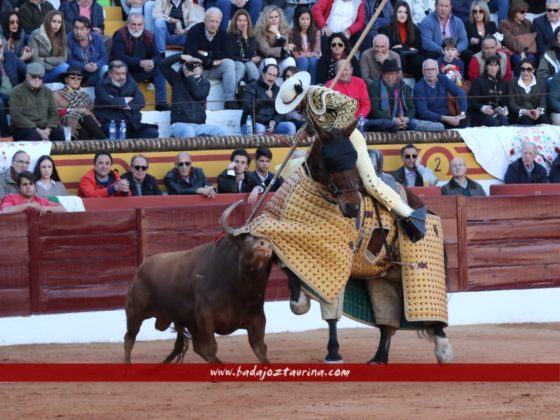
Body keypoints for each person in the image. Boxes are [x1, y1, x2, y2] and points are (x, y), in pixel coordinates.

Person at [275, 71, 426, 241]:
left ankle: (410, 214)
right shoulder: (306, 103)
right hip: (327, 144)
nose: (294, 108)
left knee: (371, 184)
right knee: (295, 170)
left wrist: (336, 133)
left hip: (348, 138)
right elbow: (320, 120)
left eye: (293, 104)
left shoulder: (319, 94)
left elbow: (351, 105)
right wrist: (308, 129)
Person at [160, 53, 229, 138]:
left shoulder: (205, 83)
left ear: (201, 68)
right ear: (183, 66)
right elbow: (162, 65)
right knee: (189, 131)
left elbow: (199, 94)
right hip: (179, 125)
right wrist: (180, 56)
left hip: (199, 126)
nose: (195, 67)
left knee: (222, 130)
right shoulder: (176, 79)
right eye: (191, 64)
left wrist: (189, 77)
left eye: (198, 64)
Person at [112, 13, 169, 111]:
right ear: (128, 24)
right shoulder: (120, 34)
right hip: (125, 72)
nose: (136, 27)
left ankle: (161, 102)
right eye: (133, 24)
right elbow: (119, 56)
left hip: (143, 70)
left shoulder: (149, 35)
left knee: (160, 65)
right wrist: (140, 62)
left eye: (139, 25)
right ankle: (127, 103)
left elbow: (158, 55)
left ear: (143, 24)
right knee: (121, 65)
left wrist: (152, 62)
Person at [367, 59, 445, 131]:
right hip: (385, 120)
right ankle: (394, 125)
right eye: (389, 74)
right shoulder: (375, 86)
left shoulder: (404, 87)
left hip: (404, 120)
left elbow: (412, 108)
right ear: (383, 74)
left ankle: (400, 125)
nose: (391, 76)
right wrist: (393, 119)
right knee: (388, 124)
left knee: (437, 126)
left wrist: (407, 118)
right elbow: (375, 110)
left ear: (397, 74)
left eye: (394, 74)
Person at [184, 7, 238, 109]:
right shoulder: (194, 30)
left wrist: (207, 54)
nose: (214, 24)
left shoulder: (223, 33)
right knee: (193, 62)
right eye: (211, 21)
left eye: (217, 22)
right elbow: (190, 52)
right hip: (198, 68)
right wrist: (210, 61)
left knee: (229, 63)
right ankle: (198, 101)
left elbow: (228, 54)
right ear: (205, 20)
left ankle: (229, 101)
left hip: (214, 70)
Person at [94, 60, 159, 139]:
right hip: (112, 125)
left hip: (132, 125)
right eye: (117, 74)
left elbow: (141, 101)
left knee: (152, 133)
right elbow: (108, 101)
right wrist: (126, 100)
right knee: (116, 136)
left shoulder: (131, 83)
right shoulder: (100, 85)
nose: (121, 77)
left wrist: (128, 106)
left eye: (123, 73)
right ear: (110, 74)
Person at [9, 62, 65, 141]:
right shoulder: (17, 92)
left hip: (45, 128)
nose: (37, 80)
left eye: (40, 77)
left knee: (59, 132)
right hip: (25, 128)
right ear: (27, 76)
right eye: (34, 76)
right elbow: (16, 116)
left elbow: (54, 113)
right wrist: (37, 130)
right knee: (33, 135)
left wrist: (48, 130)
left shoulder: (47, 91)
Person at [241, 63, 296, 135]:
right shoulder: (251, 87)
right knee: (260, 128)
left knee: (290, 127)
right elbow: (249, 109)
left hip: (271, 126)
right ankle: (261, 147)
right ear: (263, 74)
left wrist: (274, 121)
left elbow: (281, 111)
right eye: (269, 74)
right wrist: (265, 97)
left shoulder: (278, 90)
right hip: (251, 124)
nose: (271, 78)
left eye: (274, 76)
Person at [53, 66, 105, 140]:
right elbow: (55, 112)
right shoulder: (56, 94)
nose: (76, 80)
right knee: (83, 115)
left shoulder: (85, 96)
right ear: (66, 79)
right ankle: (103, 141)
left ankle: (102, 143)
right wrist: (75, 111)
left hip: (85, 125)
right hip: (65, 124)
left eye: (79, 78)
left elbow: (92, 113)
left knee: (85, 128)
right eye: (72, 78)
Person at [413, 58, 468, 129]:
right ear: (423, 72)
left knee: (463, 121)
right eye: (427, 69)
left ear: (437, 71)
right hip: (431, 119)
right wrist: (445, 118)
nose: (430, 72)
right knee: (439, 127)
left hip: (446, 115)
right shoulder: (419, 87)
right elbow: (423, 112)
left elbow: (460, 92)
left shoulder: (443, 79)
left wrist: (462, 114)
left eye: (433, 69)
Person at [379, 1, 423, 77]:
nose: (403, 15)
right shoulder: (386, 29)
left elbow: (418, 48)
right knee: (400, 58)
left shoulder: (415, 29)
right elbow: (386, 49)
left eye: (405, 12)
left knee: (420, 61)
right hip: (396, 61)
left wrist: (401, 47)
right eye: (400, 12)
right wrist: (406, 48)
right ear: (395, 13)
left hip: (410, 61)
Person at [419, 0, 471, 64]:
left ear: (450, 7)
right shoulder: (426, 21)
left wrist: (455, 51)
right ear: (435, 6)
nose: (443, 9)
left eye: (446, 6)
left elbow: (464, 41)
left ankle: (463, 73)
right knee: (430, 54)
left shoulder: (458, 22)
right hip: (437, 52)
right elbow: (426, 43)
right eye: (441, 5)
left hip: (454, 52)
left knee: (468, 54)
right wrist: (443, 51)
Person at [28, 10, 70, 83]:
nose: (57, 24)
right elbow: (34, 59)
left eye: (59, 22)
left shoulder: (62, 36)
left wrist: (45, 59)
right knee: (63, 68)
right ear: (48, 21)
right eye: (54, 21)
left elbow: (63, 59)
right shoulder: (35, 35)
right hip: (39, 73)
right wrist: (51, 68)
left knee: (65, 67)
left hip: (54, 70)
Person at [254, 5, 296, 75]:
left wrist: (277, 34)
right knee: (271, 61)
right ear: (266, 19)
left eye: (276, 17)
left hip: (280, 61)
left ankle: (290, 84)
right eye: (271, 17)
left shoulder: (284, 30)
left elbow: (285, 51)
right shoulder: (260, 32)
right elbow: (267, 52)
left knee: (290, 60)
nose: (274, 19)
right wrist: (284, 49)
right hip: (265, 62)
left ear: (280, 18)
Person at [499, 0, 538, 76]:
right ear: (514, 12)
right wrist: (521, 51)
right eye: (522, 12)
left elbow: (531, 38)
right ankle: (517, 82)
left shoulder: (528, 23)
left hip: (528, 50)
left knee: (531, 58)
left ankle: (532, 81)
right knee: (517, 59)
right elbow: (510, 40)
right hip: (513, 51)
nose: (525, 14)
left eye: (526, 12)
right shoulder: (504, 24)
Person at [66, 16, 108, 86]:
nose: (78, 32)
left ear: (88, 30)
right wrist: (84, 66)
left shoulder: (96, 38)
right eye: (76, 28)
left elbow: (104, 57)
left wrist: (97, 65)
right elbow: (68, 60)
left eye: (82, 29)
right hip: (78, 72)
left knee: (105, 68)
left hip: (96, 71)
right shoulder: (68, 39)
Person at [469, 55, 509, 127]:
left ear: (499, 68)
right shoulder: (478, 81)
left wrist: (504, 109)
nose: (493, 68)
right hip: (481, 113)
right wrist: (484, 108)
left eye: (496, 65)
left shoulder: (502, 83)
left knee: (504, 121)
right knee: (494, 122)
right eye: (490, 65)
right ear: (486, 67)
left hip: (497, 113)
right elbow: (473, 102)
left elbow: (504, 101)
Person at [507, 58, 550, 125]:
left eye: (529, 69)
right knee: (526, 120)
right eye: (523, 69)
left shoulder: (541, 83)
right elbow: (512, 104)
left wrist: (537, 112)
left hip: (536, 112)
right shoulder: (512, 83)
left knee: (544, 120)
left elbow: (543, 103)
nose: (525, 72)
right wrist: (525, 112)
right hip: (521, 114)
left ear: (533, 70)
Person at [0, 171, 66, 215]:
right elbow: (4, 211)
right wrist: (28, 205)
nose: (28, 187)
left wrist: (48, 208)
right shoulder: (10, 198)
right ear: (18, 188)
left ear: (34, 187)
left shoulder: (40, 200)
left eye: (31, 184)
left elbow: (63, 209)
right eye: (25, 184)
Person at [0, 36, 27, 137]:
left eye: (0, 46)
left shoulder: (10, 56)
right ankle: (5, 134)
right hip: (1, 97)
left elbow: (26, 69)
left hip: (14, 92)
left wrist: (34, 73)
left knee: (22, 96)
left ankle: (20, 131)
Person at [226, 9, 260, 87]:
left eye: (245, 21)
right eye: (239, 20)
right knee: (241, 66)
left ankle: (255, 92)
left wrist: (245, 38)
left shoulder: (251, 36)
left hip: (246, 61)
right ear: (235, 22)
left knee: (251, 66)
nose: (242, 23)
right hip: (234, 62)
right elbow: (230, 55)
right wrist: (247, 60)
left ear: (248, 22)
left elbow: (250, 54)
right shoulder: (229, 35)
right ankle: (235, 91)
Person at [289, 7, 320, 84]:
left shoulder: (316, 32)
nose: (305, 22)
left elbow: (317, 51)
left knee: (313, 60)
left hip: (311, 58)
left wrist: (309, 55)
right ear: (297, 19)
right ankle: (301, 84)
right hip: (299, 59)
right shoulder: (292, 33)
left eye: (307, 19)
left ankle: (312, 85)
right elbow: (294, 52)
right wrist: (306, 55)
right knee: (304, 61)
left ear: (310, 20)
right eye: (302, 19)